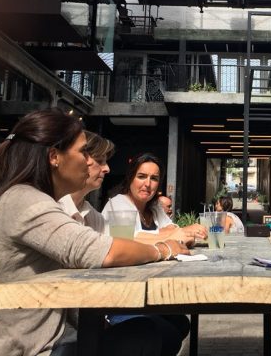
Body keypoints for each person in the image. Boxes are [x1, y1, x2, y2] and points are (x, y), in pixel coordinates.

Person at [0, 108, 189, 356]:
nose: (90, 162)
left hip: (29, 339)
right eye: (84, 152)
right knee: (145, 335)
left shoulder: (24, 196)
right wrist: (163, 249)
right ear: (54, 157)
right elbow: (102, 251)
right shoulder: (24, 199)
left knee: (157, 329)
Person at [57, 131, 190, 355]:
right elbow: (119, 245)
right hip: (69, 327)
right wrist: (164, 247)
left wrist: (170, 239)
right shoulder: (57, 210)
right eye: (99, 161)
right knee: (154, 334)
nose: (107, 169)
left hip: (94, 307)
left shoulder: (89, 213)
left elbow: (120, 243)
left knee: (177, 323)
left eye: (154, 178)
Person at [103, 153, 206, 244]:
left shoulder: (154, 206)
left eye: (154, 178)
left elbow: (172, 228)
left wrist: (179, 234)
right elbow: (128, 241)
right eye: (141, 176)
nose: (148, 184)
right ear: (130, 178)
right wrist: (172, 234)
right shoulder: (118, 204)